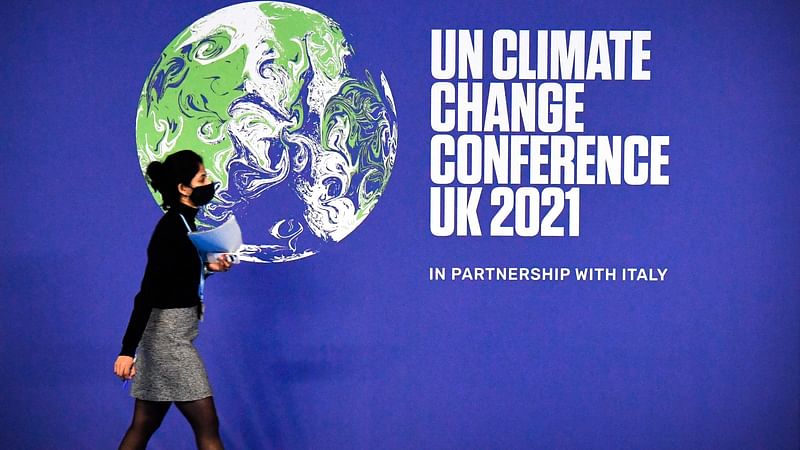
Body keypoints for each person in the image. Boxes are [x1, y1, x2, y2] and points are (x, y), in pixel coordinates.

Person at [113, 149, 233, 450]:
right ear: (183, 188)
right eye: (202, 177)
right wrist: (127, 351)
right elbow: (149, 292)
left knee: (144, 424)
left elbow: (176, 277)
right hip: (169, 342)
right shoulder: (171, 230)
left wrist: (209, 267)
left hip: (169, 337)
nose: (209, 182)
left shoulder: (184, 225)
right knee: (207, 426)